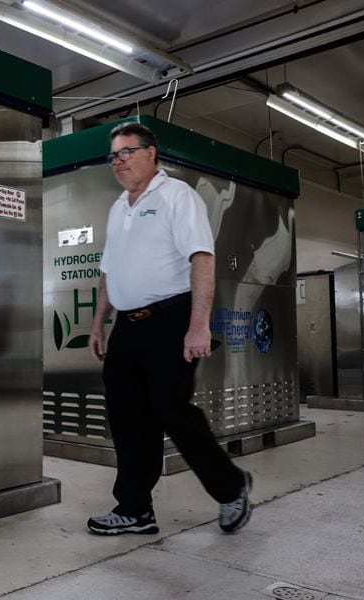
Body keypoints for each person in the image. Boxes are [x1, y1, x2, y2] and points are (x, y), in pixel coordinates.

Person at [86, 122, 252, 536]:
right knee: (126, 417)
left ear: (151, 153)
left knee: (172, 411)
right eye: (114, 155)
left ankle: (231, 487)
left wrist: (199, 327)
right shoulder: (118, 207)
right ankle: (135, 509)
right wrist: (98, 323)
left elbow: (202, 258)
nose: (119, 161)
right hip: (127, 326)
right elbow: (109, 271)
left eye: (127, 152)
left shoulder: (178, 196)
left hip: (170, 320)